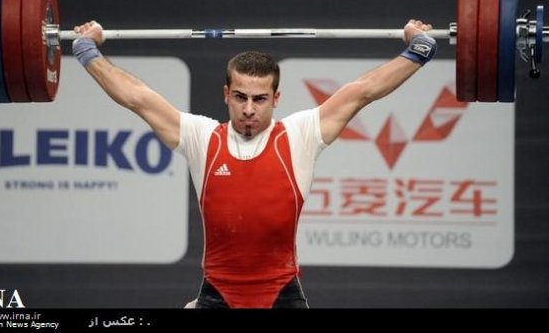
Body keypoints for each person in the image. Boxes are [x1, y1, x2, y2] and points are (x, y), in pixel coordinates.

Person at [72, 19, 437, 308]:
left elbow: (363, 91)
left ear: (276, 98)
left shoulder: (300, 135)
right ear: (226, 94)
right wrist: (88, 51)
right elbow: (138, 98)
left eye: (260, 99)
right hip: (217, 295)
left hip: (282, 294)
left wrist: (417, 50)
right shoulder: (203, 138)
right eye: (241, 97)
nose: (249, 109)